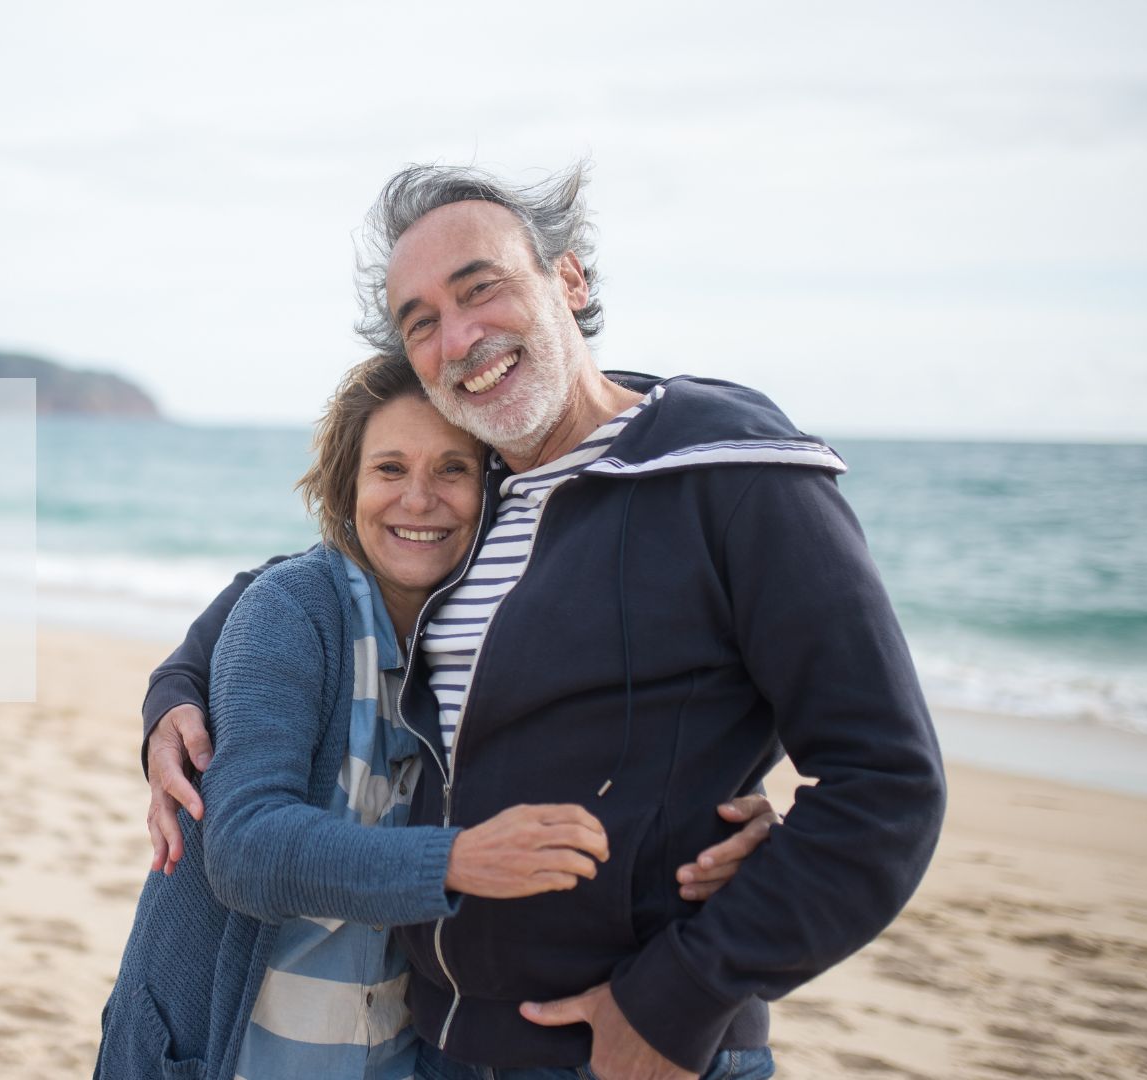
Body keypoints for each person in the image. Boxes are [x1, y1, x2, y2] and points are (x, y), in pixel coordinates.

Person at [142, 162, 946, 1080]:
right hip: (432, 1044)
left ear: (568, 280)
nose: (459, 338)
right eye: (422, 323)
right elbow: (305, 581)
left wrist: (679, 998)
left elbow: (887, 784)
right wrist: (174, 690)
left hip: (621, 1051)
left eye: (479, 289)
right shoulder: (480, 488)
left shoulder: (732, 477)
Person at [97, 356, 777, 1080]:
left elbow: (628, 743)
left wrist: (727, 816)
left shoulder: (506, 637)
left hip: (397, 1056)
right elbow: (243, 851)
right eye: (389, 469)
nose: (417, 500)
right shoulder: (293, 610)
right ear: (346, 486)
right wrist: (455, 862)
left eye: (451, 470)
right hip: (225, 1052)